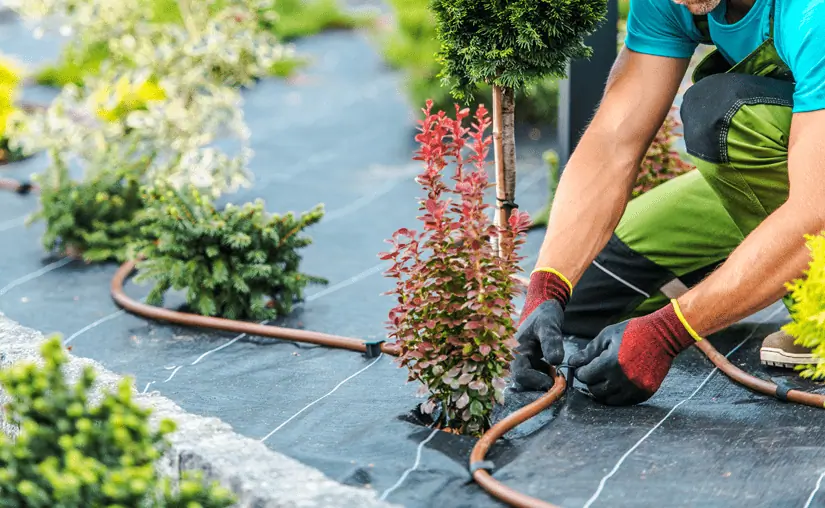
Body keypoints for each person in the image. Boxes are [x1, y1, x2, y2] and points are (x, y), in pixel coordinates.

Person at [511, 0, 825, 405]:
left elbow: (815, 212)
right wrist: (547, 287)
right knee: (587, 295)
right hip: (798, 167)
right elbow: (612, 144)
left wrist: (670, 330)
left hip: (814, 190)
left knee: (725, 115)